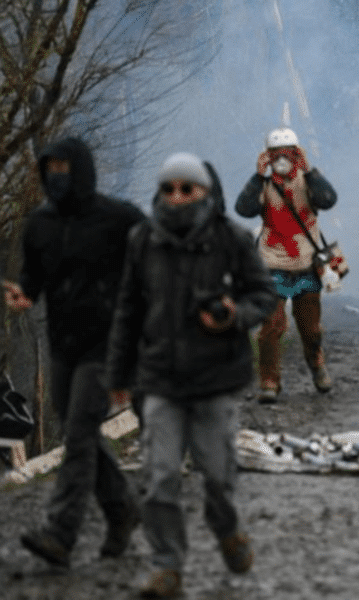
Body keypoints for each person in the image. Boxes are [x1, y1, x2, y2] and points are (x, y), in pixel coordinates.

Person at [104, 152, 278, 598]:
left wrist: (236, 314)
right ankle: (167, 566)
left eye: (188, 188)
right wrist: (119, 373)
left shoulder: (232, 240)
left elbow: (264, 294)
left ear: (204, 191)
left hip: (215, 380)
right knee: (159, 477)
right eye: (169, 189)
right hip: (159, 378)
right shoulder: (142, 240)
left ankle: (227, 529)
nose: (178, 197)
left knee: (217, 477)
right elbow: (128, 309)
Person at [2, 137, 144, 568]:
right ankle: (122, 510)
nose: (56, 176)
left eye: (65, 167)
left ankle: (61, 533)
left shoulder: (120, 219)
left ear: (82, 169)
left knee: (81, 429)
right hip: (64, 346)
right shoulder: (40, 225)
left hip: (110, 344)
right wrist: (24, 295)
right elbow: (34, 278)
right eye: (50, 168)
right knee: (81, 433)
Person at [235, 127, 338, 403]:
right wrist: (258, 175)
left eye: (288, 155)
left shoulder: (308, 183)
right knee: (272, 326)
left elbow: (329, 200)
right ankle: (269, 382)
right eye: (275, 155)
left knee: (310, 327)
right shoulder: (264, 186)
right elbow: (243, 209)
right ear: (267, 157)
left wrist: (310, 170)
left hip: (306, 264)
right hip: (273, 264)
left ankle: (317, 364)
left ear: (297, 154)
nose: (283, 161)